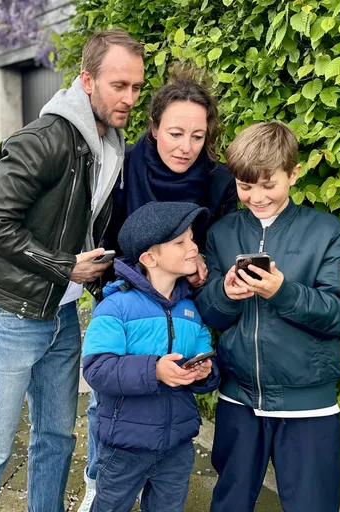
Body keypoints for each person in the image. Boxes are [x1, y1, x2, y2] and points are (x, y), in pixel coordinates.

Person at [0, 29, 145, 512]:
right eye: (118, 85)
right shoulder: (44, 139)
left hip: (60, 316)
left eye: (136, 88)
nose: (129, 98)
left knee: (57, 438)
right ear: (87, 80)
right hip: (10, 315)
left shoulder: (111, 144)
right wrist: (64, 268)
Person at [79, 67, 237, 511]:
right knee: (111, 397)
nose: (186, 147)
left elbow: (221, 247)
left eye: (198, 136)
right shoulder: (123, 166)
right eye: (175, 133)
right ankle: (100, 476)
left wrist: (203, 264)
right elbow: (101, 231)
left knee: (172, 387)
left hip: (183, 301)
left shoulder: (219, 182)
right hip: (124, 295)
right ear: (152, 127)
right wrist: (116, 288)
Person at [194, 121, 340, 511]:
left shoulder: (328, 233)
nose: (256, 197)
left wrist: (283, 292)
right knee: (229, 503)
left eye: (267, 184)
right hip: (238, 399)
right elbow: (209, 314)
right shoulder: (221, 234)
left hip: (308, 406)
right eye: (245, 186)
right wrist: (225, 294)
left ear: (294, 173)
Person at [82, 201, 220, 512]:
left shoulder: (190, 309)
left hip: (177, 445)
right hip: (124, 446)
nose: (193, 247)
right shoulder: (116, 307)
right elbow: (97, 369)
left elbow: (205, 356)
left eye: (192, 238)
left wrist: (204, 371)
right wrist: (154, 370)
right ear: (149, 258)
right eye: (180, 241)